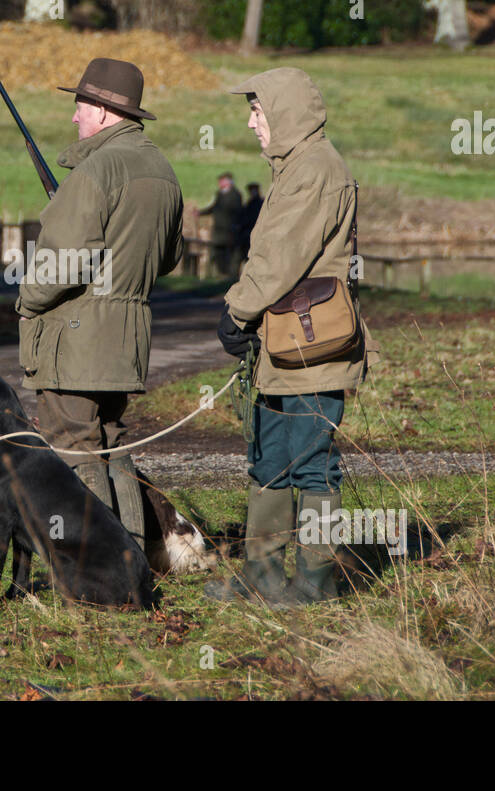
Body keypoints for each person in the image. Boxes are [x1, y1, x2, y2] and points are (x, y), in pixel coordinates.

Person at [206, 67, 375, 609]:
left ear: (285, 114)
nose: (252, 123)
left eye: (258, 112)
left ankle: (315, 583)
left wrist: (236, 311)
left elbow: (280, 260)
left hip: (313, 346)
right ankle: (263, 575)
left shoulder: (314, 171)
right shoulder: (298, 165)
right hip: (286, 342)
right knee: (272, 456)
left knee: (311, 463)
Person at [16, 58, 184, 551]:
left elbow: (66, 262)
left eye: (81, 106)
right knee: (115, 448)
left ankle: (95, 569)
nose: (74, 118)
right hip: (126, 341)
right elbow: (169, 257)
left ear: (105, 112)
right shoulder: (162, 168)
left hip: (75, 341)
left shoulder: (97, 168)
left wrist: (26, 298)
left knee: (74, 454)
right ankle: (131, 556)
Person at [198, 172, 243, 277]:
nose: (220, 183)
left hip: (229, 230)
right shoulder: (219, 194)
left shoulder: (236, 195)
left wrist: (235, 227)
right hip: (218, 230)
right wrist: (200, 213)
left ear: (228, 181)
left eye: (222, 181)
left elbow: (238, 212)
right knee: (217, 252)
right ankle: (221, 273)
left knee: (230, 254)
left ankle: (230, 275)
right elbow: (213, 207)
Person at [236, 182, 263, 262]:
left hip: (253, 232)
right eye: (251, 191)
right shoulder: (249, 203)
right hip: (246, 234)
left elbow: (253, 217)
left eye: (253, 190)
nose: (252, 193)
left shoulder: (260, 203)